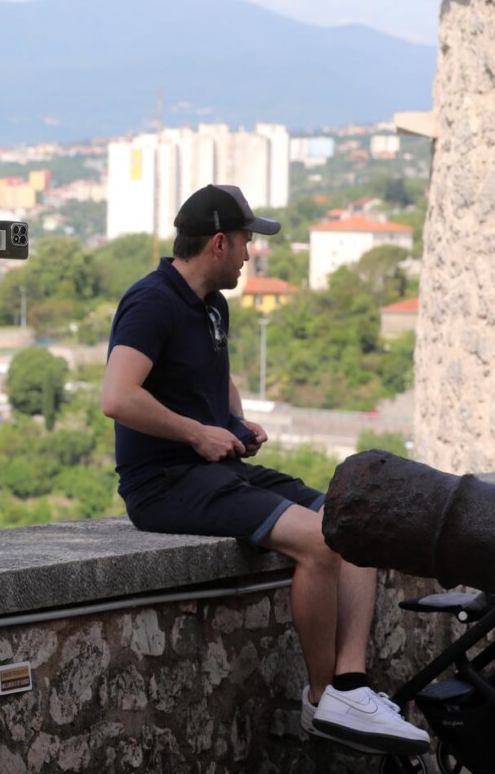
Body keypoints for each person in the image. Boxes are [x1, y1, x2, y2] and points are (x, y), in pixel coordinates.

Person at [100, 183, 430, 757]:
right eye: (248, 241)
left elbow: (215, 376)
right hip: (165, 484)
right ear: (220, 242)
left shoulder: (211, 304)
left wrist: (235, 422)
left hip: (213, 469)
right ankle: (322, 696)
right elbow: (117, 396)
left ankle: (350, 685)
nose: (252, 254)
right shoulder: (152, 301)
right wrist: (198, 433)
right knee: (320, 544)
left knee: (351, 519)